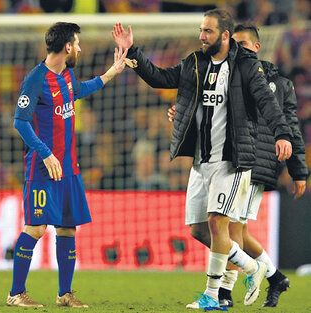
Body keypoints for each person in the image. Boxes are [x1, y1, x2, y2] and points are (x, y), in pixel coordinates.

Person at [112, 9, 293, 309]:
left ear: (224, 35)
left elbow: (267, 102)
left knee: (216, 223)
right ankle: (255, 267)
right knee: (198, 229)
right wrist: (133, 51)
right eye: (200, 30)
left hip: (231, 160)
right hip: (200, 161)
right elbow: (160, 78)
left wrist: (282, 134)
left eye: (207, 31)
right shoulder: (195, 63)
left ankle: (212, 296)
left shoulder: (246, 66)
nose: (201, 36)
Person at [7, 22, 126, 308]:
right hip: (41, 169)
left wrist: (112, 72)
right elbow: (20, 122)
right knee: (36, 228)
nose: (81, 48)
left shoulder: (67, 76)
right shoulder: (35, 80)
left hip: (69, 169)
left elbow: (81, 90)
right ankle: (16, 294)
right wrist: (46, 153)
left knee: (68, 229)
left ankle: (65, 295)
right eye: (78, 43)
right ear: (68, 47)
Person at [206, 23, 308, 308]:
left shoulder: (279, 85)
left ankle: (225, 293)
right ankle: (275, 277)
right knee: (235, 229)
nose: (239, 51)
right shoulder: (227, 77)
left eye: (244, 45)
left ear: (257, 48)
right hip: (233, 160)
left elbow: (291, 127)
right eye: (234, 45)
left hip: (256, 162)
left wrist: (298, 170)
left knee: (233, 229)